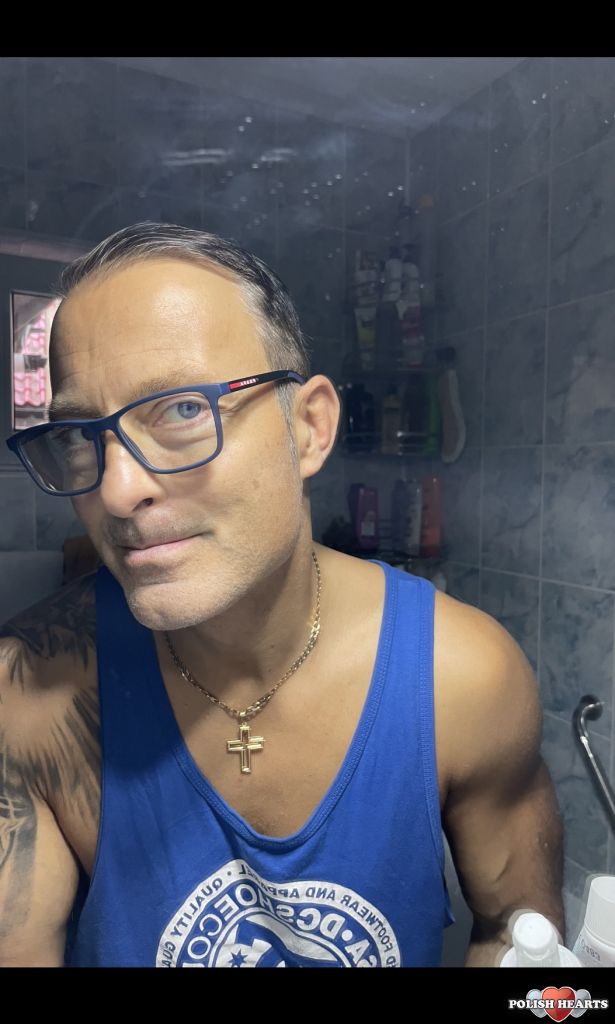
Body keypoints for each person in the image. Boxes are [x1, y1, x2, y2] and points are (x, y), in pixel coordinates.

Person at [0, 222, 564, 968]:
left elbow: (521, 947)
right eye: (80, 435)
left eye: (182, 410)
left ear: (309, 428)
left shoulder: (463, 678)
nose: (117, 491)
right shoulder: (27, 696)